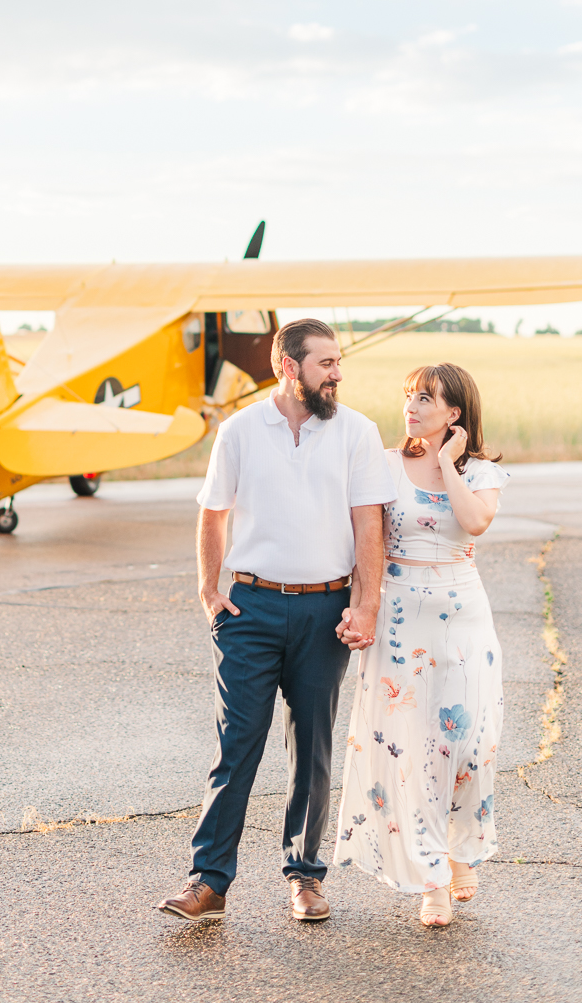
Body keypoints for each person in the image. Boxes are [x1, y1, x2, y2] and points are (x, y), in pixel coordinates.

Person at [157, 317, 392, 925]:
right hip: (251, 609)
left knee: (311, 747)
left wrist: (365, 605)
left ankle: (305, 877)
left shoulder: (358, 433)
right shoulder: (238, 432)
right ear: (287, 367)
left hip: (326, 609)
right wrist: (210, 593)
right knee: (238, 745)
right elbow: (213, 514)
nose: (338, 373)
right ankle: (208, 882)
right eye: (325, 363)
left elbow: (371, 524)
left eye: (338, 362)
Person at [333, 362, 508, 928]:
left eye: (425, 398)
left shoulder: (480, 472)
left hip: (464, 617)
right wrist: (362, 609)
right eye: (409, 395)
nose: (411, 406)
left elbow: (475, 522)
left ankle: (462, 850)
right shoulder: (385, 466)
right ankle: (432, 878)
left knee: (472, 744)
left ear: (453, 414)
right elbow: (370, 544)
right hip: (404, 615)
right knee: (414, 749)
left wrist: (450, 463)